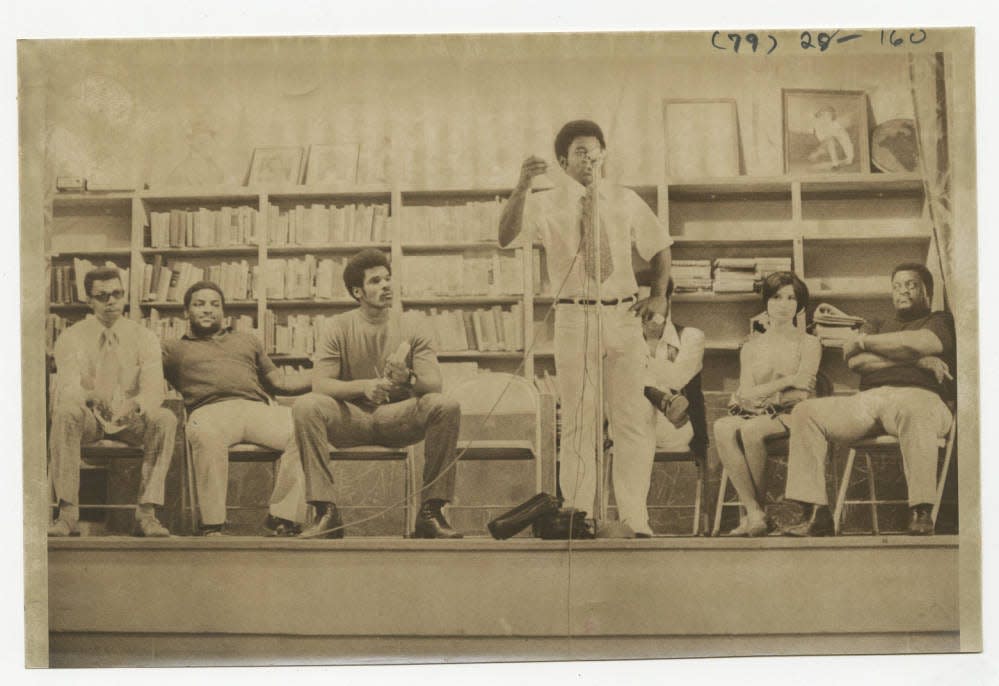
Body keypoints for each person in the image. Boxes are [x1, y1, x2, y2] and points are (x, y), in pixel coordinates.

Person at [499, 119, 672, 532]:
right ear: (563, 160)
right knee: (580, 417)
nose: (591, 157)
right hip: (575, 316)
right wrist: (521, 187)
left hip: (624, 315)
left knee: (632, 418)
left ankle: (635, 517)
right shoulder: (544, 203)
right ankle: (582, 514)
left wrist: (659, 296)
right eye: (580, 151)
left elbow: (660, 247)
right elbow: (505, 237)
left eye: (596, 149)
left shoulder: (625, 199)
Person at [292, 249, 463, 539]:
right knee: (307, 405)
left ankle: (431, 512)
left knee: (445, 405)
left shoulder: (413, 325)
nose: (385, 286)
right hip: (351, 418)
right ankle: (326, 511)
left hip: (397, 418)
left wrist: (408, 379)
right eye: (375, 281)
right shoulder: (338, 326)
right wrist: (363, 386)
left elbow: (434, 384)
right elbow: (321, 384)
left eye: (388, 279)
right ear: (358, 291)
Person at [782, 263, 955, 536]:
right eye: (897, 286)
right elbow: (857, 362)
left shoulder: (940, 320)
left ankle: (922, 509)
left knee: (915, 408)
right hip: (869, 400)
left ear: (927, 291)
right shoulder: (876, 323)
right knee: (806, 411)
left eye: (910, 284)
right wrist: (919, 360)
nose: (903, 291)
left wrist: (864, 342)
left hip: (922, 398)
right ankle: (817, 513)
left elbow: (923, 341)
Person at [162, 281, 311, 536]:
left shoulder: (248, 341)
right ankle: (213, 525)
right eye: (199, 304)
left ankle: (282, 518)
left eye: (214, 304)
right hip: (209, 411)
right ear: (186, 313)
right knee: (205, 434)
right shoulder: (173, 349)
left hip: (256, 409)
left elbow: (279, 383)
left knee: (306, 429)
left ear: (223, 312)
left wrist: (324, 378)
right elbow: (147, 378)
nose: (208, 310)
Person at [49, 266, 177, 537]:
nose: (111, 302)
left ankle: (147, 514)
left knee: (165, 418)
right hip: (91, 420)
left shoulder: (144, 337)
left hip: (131, 420)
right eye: (102, 296)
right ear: (89, 300)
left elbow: (155, 390)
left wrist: (137, 404)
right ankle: (67, 513)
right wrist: (89, 396)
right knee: (65, 413)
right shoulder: (71, 337)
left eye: (117, 294)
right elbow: (68, 388)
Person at [713, 272, 821, 536]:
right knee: (722, 427)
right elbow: (745, 393)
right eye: (776, 297)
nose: (783, 304)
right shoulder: (751, 347)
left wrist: (764, 395)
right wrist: (786, 382)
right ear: (766, 301)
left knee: (751, 430)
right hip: (757, 413)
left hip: (795, 417)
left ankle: (755, 516)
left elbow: (802, 395)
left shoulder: (810, 343)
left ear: (799, 304)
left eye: (791, 298)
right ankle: (755, 512)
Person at [637, 278, 707, 536]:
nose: (646, 312)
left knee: (627, 380)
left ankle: (655, 396)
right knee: (629, 398)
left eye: (651, 303)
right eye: (638, 303)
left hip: (674, 428)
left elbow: (678, 379)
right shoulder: (623, 341)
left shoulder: (691, 337)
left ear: (667, 302)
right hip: (632, 426)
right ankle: (661, 398)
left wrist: (642, 360)